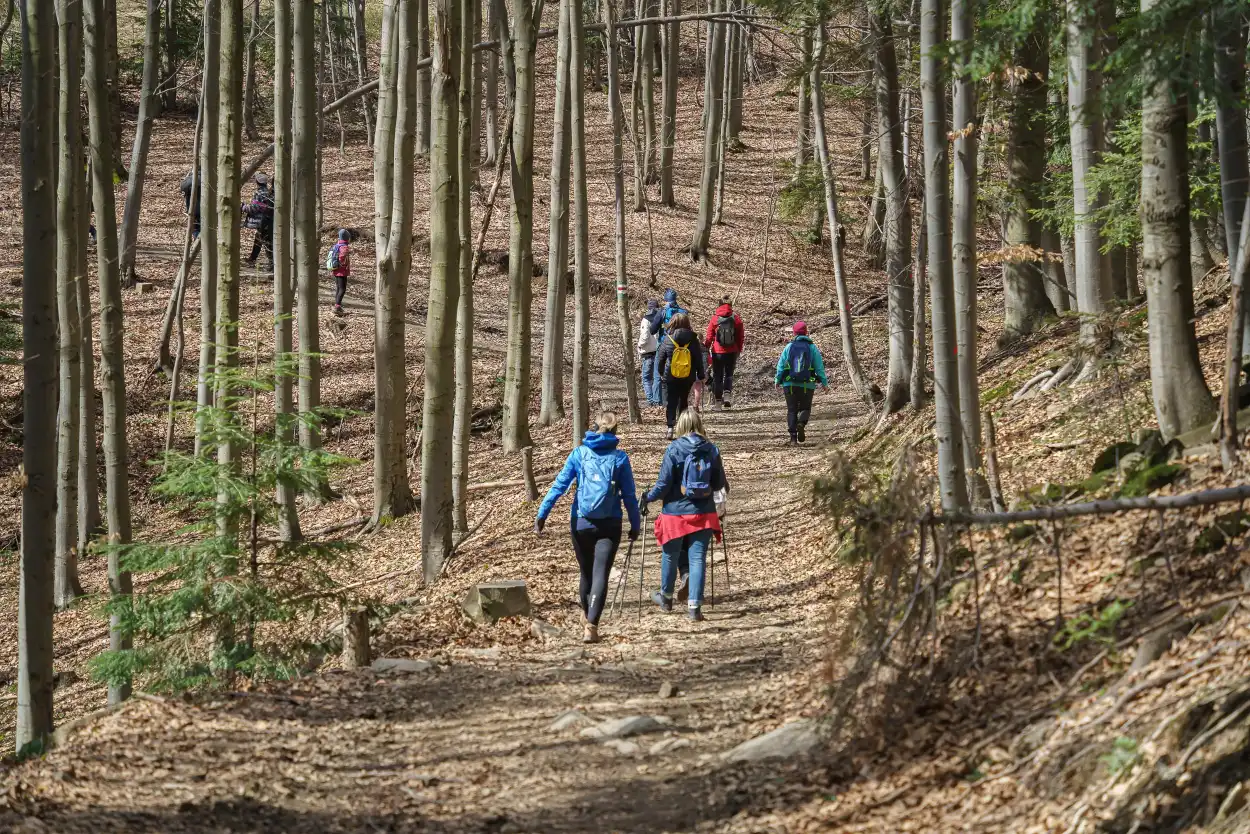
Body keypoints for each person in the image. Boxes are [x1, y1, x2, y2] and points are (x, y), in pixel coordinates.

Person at [535, 413, 642, 644]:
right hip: (610, 523)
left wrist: (542, 514)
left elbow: (560, 485)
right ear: (615, 432)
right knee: (600, 574)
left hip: (581, 522)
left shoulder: (579, 454)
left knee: (586, 573)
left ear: (595, 428)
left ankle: (586, 616)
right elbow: (630, 497)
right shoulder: (620, 458)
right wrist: (636, 524)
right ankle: (591, 626)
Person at [643, 408, 728, 623]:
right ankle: (694, 609)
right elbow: (718, 484)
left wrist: (647, 497)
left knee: (670, 555)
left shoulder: (674, 449)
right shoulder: (711, 449)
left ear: (680, 426)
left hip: (674, 513)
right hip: (703, 513)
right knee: (697, 558)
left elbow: (663, 485)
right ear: (699, 424)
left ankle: (666, 599)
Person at [775, 320, 828, 445]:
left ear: (794, 333)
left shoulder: (789, 347)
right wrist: (824, 383)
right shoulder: (812, 347)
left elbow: (781, 365)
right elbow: (819, 367)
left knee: (791, 410)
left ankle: (793, 439)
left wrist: (777, 379)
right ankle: (801, 423)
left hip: (789, 384)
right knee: (805, 408)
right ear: (806, 332)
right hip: (807, 384)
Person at [654, 312, 706, 439]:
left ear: (674, 323)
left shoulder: (668, 338)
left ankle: (670, 428)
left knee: (671, 401)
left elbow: (660, 358)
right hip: (688, 376)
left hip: (671, 375)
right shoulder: (693, 339)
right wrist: (701, 374)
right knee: (683, 400)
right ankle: (683, 429)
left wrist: (661, 372)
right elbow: (698, 358)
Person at [703, 294, 745, 409]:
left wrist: (705, 347)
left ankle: (717, 404)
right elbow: (740, 337)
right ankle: (727, 396)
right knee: (729, 375)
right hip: (732, 351)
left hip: (718, 351)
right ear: (731, 305)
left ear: (719, 304)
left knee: (717, 376)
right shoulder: (736, 318)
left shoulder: (715, 318)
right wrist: (739, 350)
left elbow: (709, 336)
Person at [244, 174, 275, 268]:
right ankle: (253, 258)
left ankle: (271, 263)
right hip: (268, 220)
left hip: (262, 221)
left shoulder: (259, 193)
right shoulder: (268, 192)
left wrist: (244, 207)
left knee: (265, 241)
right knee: (259, 238)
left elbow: (254, 208)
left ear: (257, 182)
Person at [636, 300, 662, 406]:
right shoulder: (661, 317)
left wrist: (640, 345)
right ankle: (657, 400)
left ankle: (651, 400)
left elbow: (645, 337)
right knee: (657, 377)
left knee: (646, 378)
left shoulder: (646, 319)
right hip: (659, 351)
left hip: (647, 353)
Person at [327, 229, 351, 314]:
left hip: (335, 269)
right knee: (342, 289)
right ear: (347, 238)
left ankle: (337, 305)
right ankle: (337, 307)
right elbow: (342, 257)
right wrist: (344, 265)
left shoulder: (336, 245)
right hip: (341, 271)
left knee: (338, 288)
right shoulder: (344, 247)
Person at [179, 169, 202, 239]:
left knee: (195, 226)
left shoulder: (189, 179)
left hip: (192, 208)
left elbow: (182, 188)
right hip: (205, 208)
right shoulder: (209, 179)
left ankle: (197, 241)